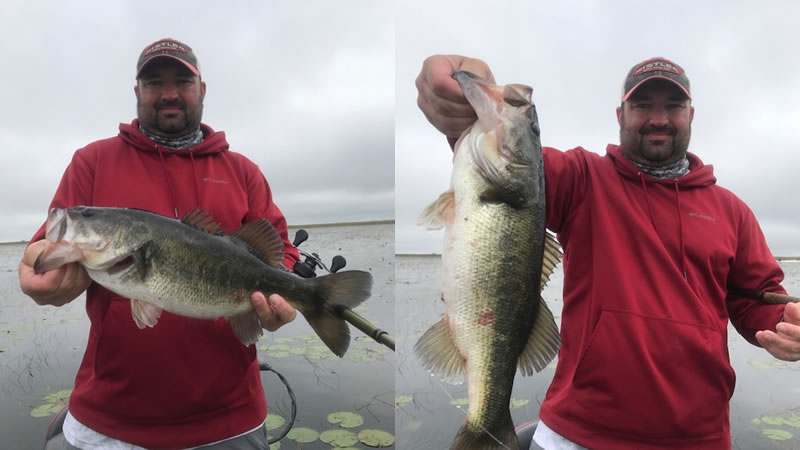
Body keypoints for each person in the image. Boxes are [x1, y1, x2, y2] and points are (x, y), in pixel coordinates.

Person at [416, 55, 800, 449]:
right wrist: (462, 92)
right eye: (642, 105)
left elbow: (755, 298)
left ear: (691, 113)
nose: (658, 118)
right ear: (620, 113)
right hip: (577, 432)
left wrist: (783, 324)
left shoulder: (731, 211)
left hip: (698, 437)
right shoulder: (583, 179)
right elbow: (511, 166)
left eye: (673, 105)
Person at [18, 38, 301, 449]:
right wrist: (39, 264)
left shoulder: (243, 171)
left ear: (202, 89)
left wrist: (285, 295)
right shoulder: (91, 161)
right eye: (154, 82)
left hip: (231, 419)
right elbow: (45, 245)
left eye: (182, 81)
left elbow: (282, 253)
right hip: (109, 419)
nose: (168, 93)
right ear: (137, 93)